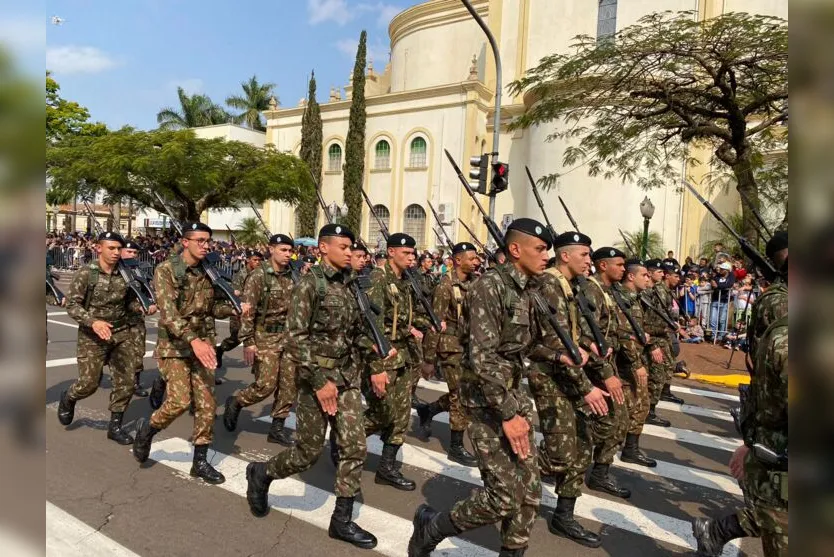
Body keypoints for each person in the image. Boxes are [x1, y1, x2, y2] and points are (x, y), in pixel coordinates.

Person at [245, 224, 395, 549]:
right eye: (343, 246)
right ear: (323, 248)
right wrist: (319, 381)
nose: (350, 252)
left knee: (354, 447)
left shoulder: (352, 286)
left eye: (351, 247)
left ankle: (341, 521)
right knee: (307, 454)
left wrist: (376, 353)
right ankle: (262, 473)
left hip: (347, 379)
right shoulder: (310, 285)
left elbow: (356, 332)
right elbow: (295, 338)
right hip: (316, 382)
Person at [408, 218, 550, 557]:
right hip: (487, 402)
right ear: (515, 249)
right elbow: (483, 357)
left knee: (530, 492)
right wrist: (507, 413)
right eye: (541, 249)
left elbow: (524, 346)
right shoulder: (490, 287)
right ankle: (435, 525)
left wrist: (564, 356)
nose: (547, 256)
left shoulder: (530, 288)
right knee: (503, 497)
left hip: (513, 396)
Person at [692, 231, 789, 556]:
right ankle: (717, 530)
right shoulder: (782, 314)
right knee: (780, 518)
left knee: (778, 514)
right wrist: (752, 443)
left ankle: (717, 531)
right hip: (781, 445)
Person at [132, 222, 238, 484]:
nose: (205, 245)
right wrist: (193, 340)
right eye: (200, 241)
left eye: (208, 241)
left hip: (203, 346)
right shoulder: (167, 270)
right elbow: (169, 315)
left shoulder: (208, 271)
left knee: (207, 404)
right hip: (175, 347)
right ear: (186, 242)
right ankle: (149, 429)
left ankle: (200, 461)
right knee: (179, 402)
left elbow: (213, 308)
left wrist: (235, 306)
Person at [58, 231, 143, 445]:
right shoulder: (87, 273)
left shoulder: (127, 273)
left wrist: (142, 307)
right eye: (111, 248)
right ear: (99, 248)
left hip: (121, 333)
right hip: (92, 336)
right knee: (89, 384)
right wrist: (93, 322)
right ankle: (69, 397)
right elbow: (72, 305)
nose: (116, 252)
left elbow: (130, 303)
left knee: (127, 381)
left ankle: (115, 426)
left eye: (118, 249)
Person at [363, 232, 432, 491]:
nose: (412, 258)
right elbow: (372, 326)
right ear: (391, 252)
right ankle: (347, 437)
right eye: (407, 253)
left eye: (414, 254)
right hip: (386, 355)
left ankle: (387, 468)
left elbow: (408, 316)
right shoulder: (378, 279)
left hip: (405, 354)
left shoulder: (407, 280)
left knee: (401, 416)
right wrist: (377, 367)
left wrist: (424, 325)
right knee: (383, 412)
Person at [223, 234, 297, 446]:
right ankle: (236, 402)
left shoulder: (293, 276)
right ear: (271, 249)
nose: (287, 254)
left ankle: (277, 427)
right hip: (264, 337)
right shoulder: (258, 276)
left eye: (290, 251)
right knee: (265, 385)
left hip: (288, 338)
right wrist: (248, 341)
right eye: (283, 250)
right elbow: (248, 311)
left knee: (288, 385)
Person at [417, 242, 480, 467]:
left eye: (476, 258)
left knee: (465, 392)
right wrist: (428, 359)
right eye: (471, 258)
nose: (476, 262)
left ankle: (429, 409)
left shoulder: (475, 283)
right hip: (450, 347)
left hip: (468, 346)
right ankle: (455, 446)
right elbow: (436, 323)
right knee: (460, 395)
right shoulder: (445, 286)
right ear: (457, 260)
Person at [616, 259, 657, 468]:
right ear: (631, 276)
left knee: (641, 405)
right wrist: (635, 362)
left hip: (637, 359)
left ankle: (630, 449)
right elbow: (623, 336)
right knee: (618, 414)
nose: (648, 279)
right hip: (625, 364)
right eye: (645, 275)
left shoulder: (636, 298)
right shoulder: (621, 298)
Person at [216, 249, 262, 374]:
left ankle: (258, 366)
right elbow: (235, 293)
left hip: (253, 311)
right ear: (248, 260)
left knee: (256, 337)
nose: (257, 262)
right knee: (236, 337)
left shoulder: (259, 274)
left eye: (259, 260)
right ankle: (220, 349)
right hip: (239, 310)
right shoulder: (240, 275)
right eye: (255, 260)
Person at [121, 239, 157, 398]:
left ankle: (134, 382)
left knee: (138, 351)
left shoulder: (139, 270)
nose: (132, 255)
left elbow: (148, 290)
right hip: (114, 319)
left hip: (135, 319)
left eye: (135, 253)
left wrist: (151, 303)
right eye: (129, 252)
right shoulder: (114, 269)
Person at [710, 261, 736, 342]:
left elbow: (729, 285)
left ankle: (720, 336)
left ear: (726, 270)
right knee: (712, 320)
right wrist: (721, 286)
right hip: (715, 300)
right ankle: (713, 336)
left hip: (724, 301)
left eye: (722, 269)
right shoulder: (716, 276)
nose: (720, 270)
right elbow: (713, 284)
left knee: (722, 320)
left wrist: (718, 286)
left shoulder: (731, 276)